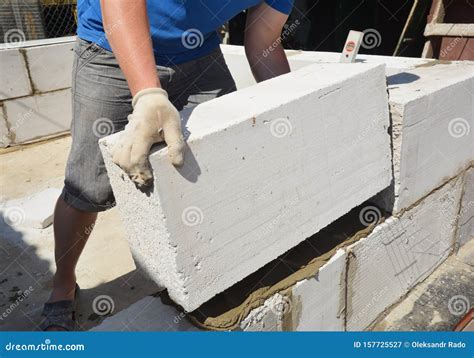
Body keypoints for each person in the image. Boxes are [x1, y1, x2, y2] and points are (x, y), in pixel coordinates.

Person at [41, 0, 294, 331]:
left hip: (198, 52)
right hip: (111, 48)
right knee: (88, 189)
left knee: (221, 167)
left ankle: (208, 274)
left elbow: (264, 38)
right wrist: (148, 95)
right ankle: (64, 286)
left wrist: (288, 106)